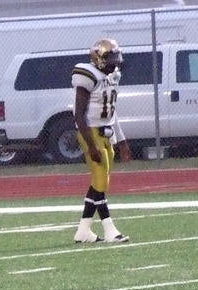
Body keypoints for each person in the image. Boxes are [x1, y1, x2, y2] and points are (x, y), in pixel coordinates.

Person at [72, 39, 131, 244]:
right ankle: (110, 230)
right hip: (90, 133)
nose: (114, 63)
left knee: (99, 183)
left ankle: (83, 230)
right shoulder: (87, 76)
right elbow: (79, 115)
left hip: (106, 133)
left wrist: (122, 141)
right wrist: (90, 145)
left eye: (116, 59)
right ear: (98, 59)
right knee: (100, 182)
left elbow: (112, 114)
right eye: (110, 59)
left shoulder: (113, 77)